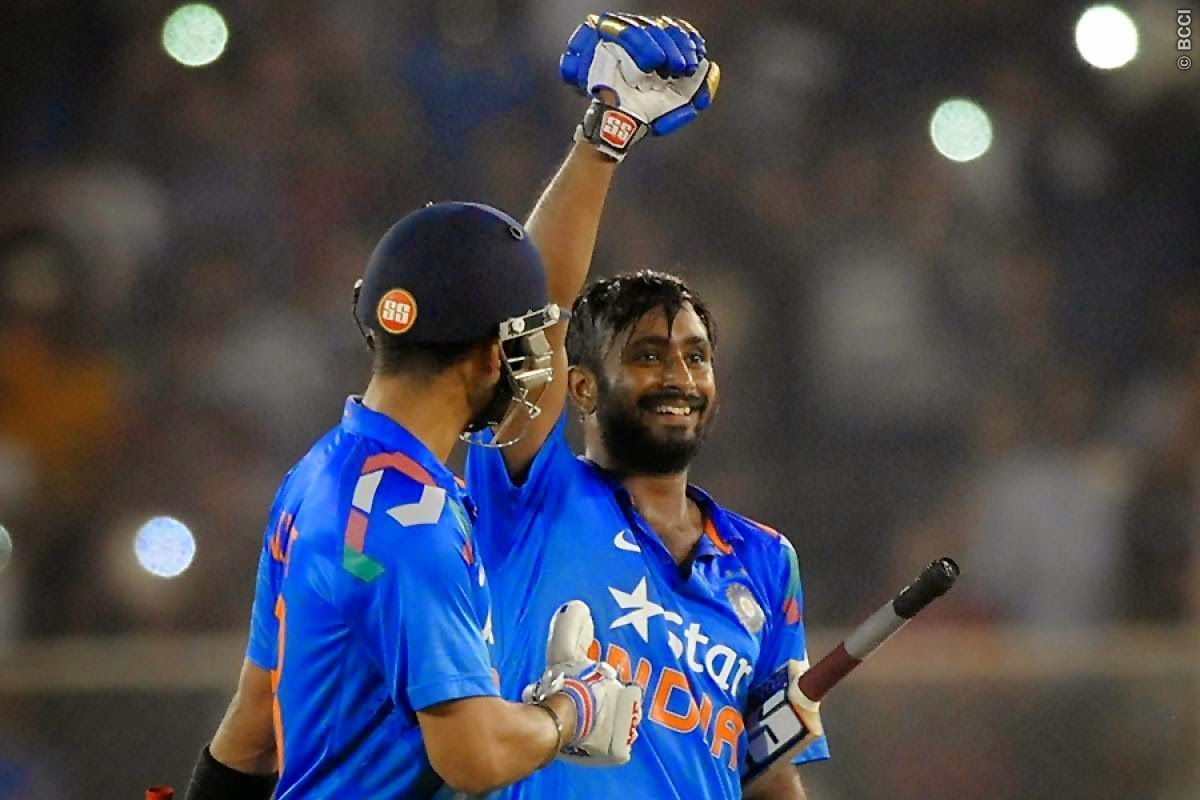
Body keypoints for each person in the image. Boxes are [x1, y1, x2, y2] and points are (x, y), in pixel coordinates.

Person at [464, 13, 829, 799]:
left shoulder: (767, 563)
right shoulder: (532, 496)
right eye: (647, 355)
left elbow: (766, 779)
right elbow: (533, 316)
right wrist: (608, 133)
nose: (680, 375)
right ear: (583, 385)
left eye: (696, 355)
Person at [184, 202, 642, 799]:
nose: (533, 366)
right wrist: (570, 710)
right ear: (488, 355)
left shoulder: (319, 470)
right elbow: (472, 756)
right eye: (526, 344)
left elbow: (253, 724)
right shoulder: (415, 524)